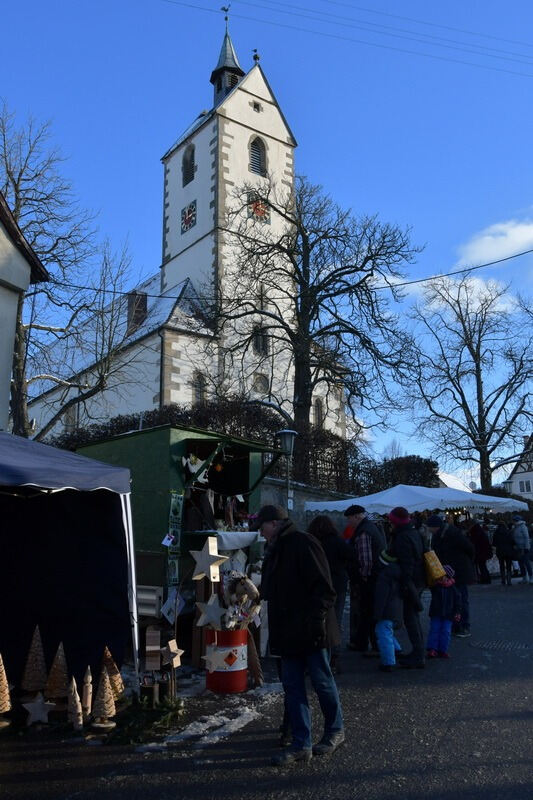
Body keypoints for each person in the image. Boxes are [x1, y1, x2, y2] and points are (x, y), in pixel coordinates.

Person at [257, 505, 344, 766]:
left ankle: (335, 730)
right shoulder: (275, 548)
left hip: (310, 629)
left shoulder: (303, 542)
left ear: (274, 523)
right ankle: (300, 744)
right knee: (292, 687)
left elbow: (325, 589)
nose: (260, 533)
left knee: (322, 682)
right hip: (288, 631)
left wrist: (315, 621)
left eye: (262, 527)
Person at [307, 515, 357, 674]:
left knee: (317, 618)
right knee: (336, 619)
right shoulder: (338, 541)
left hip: (318, 585)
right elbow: (352, 556)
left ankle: (318, 654)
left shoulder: (313, 543)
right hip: (338, 584)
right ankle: (334, 656)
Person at [344, 504, 386, 655]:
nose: (348, 522)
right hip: (375, 577)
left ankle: (373, 645)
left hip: (370, 580)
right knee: (367, 612)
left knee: (368, 612)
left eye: (349, 519)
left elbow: (366, 560)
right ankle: (363, 642)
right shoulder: (370, 527)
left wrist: (362, 577)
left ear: (356, 516)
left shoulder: (363, 532)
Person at [388, 506, 426, 669]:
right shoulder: (414, 532)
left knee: (410, 618)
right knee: (413, 617)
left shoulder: (402, 536)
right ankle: (418, 652)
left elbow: (406, 563)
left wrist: (405, 583)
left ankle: (418, 654)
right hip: (418, 579)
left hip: (411, 581)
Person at [426, 514, 475, 638]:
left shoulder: (452, 534)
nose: (428, 530)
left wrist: (464, 563)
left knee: (461, 599)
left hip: (459, 571)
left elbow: (470, 548)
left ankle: (464, 626)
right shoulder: (440, 535)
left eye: (429, 527)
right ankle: (456, 625)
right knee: (453, 600)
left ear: (435, 527)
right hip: (450, 571)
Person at [373, 549, 404, 672]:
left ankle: (388, 662)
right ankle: (397, 649)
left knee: (383, 633)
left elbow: (381, 598)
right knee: (387, 631)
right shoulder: (398, 573)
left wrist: (377, 614)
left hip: (386, 611)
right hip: (396, 610)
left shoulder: (384, 577)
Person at [426, 564, 461, 659]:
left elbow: (457, 601)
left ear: (448, 577)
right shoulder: (435, 586)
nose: (441, 579)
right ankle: (432, 649)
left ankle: (442, 650)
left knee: (446, 632)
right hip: (436, 613)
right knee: (435, 630)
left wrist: (457, 612)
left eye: (443, 577)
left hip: (448, 614)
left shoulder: (453, 589)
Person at [468, 519, 493, 584]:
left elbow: (474, 541)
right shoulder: (479, 529)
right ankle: (486, 579)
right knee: (483, 566)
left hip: (480, 552)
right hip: (483, 551)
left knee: (482, 566)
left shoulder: (475, 530)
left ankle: (485, 579)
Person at [492, 521, 515, 585]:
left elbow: (494, 543)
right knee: (509, 566)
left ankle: (503, 580)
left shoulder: (496, 533)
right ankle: (509, 580)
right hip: (508, 551)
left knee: (501, 565)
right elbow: (513, 541)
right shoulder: (508, 532)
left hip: (500, 551)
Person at [512, 514, 533, 584]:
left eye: (514, 520)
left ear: (517, 520)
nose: (513, 522)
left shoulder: (523, 527)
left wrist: (527, 547)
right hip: (519, 547)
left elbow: (526, 537)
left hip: (524, 547)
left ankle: (531, 577)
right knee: (521, 563)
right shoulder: (516, 527)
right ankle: (524, 577)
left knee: (527, 562)